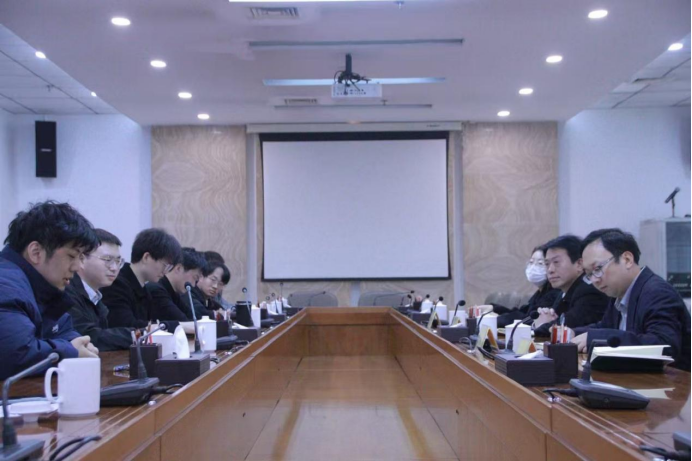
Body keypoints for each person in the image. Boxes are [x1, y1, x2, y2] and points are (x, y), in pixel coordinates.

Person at [0, 201, 99, 380]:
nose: (78, 267)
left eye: (81, 257)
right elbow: (14, 355)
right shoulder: (5, 285)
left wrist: (80, 345)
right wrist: (71, 351)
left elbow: (64, 331)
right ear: (36, 252)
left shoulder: (43, 287)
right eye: (72, 256)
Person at [572, 229, 691, 371]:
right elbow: (605, 327)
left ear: (627, 260)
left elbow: (664, 346)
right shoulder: (619, 292)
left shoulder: (657, 292)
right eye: (589, 274)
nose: (594, 280)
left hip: (674, 381)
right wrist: (573, 333)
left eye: (597, 269)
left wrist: (596, 338)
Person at [65, 229, 134, 351]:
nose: (114, 268)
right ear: (82, 259)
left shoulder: (95, 296)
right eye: (107, 259)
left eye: (118, 261)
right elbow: (89, 337)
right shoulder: (67, 290)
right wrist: (139, 335)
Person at [102, 228, 181, 328]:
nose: (165, 272)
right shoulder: (117, 284)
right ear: (146, 257)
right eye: (165, 265)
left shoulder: (145, 289)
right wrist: (177, 326)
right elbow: (127, 326)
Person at [533, 235, 610, 337]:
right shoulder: (563, 292)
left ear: (579, 264)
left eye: (556, 262)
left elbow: (567, 326)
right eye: (547, 264)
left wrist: (541, 325)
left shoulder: (589, 292)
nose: (550, 270)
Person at [496, 245, 561, 328]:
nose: (533, 267)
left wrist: (495, 319)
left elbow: (527, 318)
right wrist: (493, 308)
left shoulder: (554, 293)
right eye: (531, 262)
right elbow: (522, 312)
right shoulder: (540, 293)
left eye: (540, 263)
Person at [147, 247, 207, 323]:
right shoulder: (156, 290)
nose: (193, 285)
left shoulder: (174, 293)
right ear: (178, 268)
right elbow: (183, 322)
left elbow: (193, 318)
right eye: (195, 278)